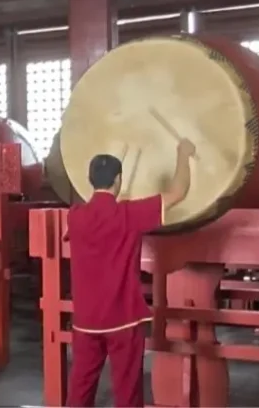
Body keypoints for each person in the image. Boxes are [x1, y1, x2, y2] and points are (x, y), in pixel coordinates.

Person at [65, 138, 196, 407]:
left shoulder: (75, 216)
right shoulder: (127, 214)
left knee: (80, 388)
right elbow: (178, 192)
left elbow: (94, 218)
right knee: (127, 392)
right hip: (122, 319)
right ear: (118, 180)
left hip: (86, 320)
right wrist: (183, 154)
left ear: (90, 180)